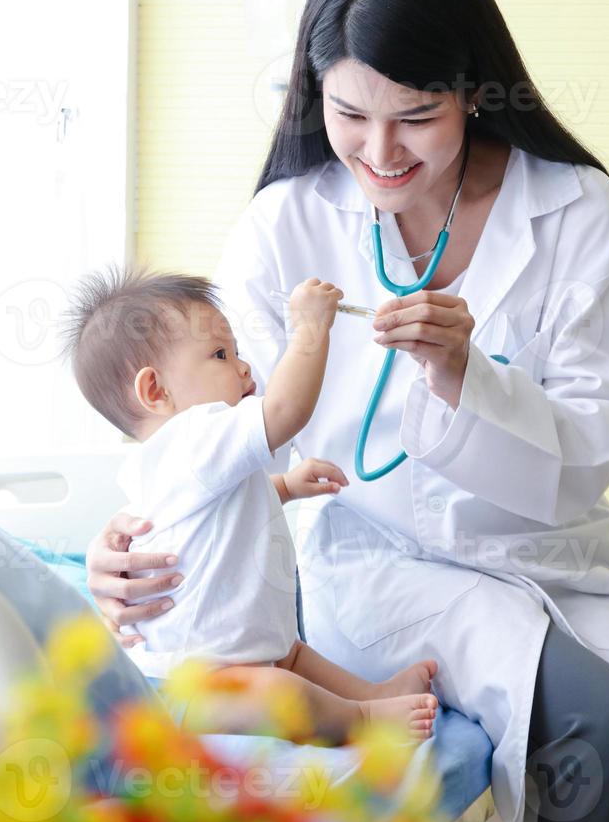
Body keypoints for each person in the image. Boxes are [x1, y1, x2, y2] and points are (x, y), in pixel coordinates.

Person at [86, 0, 609, 822]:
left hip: (544, 552)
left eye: (415, 115)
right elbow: (202, 428)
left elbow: (600, 433)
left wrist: (464, 377)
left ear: (473, 90)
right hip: (375, 563)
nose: (379, 151)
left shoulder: (575, 209)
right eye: (348, 113)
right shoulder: (286, 224)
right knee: (604, 727)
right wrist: (125, 551)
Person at [63, 265, 439, 744]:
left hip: (237, 656)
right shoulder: (194, 433)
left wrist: (285, 485)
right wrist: (309, 330)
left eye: (237, 352)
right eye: (220, 354)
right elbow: (284, 410)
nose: (244, 369)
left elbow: (228, 508)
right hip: (193, 682)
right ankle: (361, 720)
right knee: (282, 690)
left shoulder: (184, 458)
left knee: (292, 656)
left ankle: (372, 693)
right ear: (156, 391)